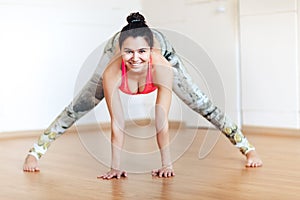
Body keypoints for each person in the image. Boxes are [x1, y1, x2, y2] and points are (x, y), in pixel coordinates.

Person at [23, 12, 262, 177]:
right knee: (80, 106)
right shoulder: (112, 71)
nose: (135, 58)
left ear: (149, 50)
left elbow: (160, 119)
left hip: (161, 51)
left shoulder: (163, 66)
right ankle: (34, 153)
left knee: (201, 104)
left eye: (141, 52)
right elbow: (117, 123)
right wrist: (115, 167)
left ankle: (247, 147)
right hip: (120, 52)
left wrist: (166, 165)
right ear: (121, 50)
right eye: (128, 52)